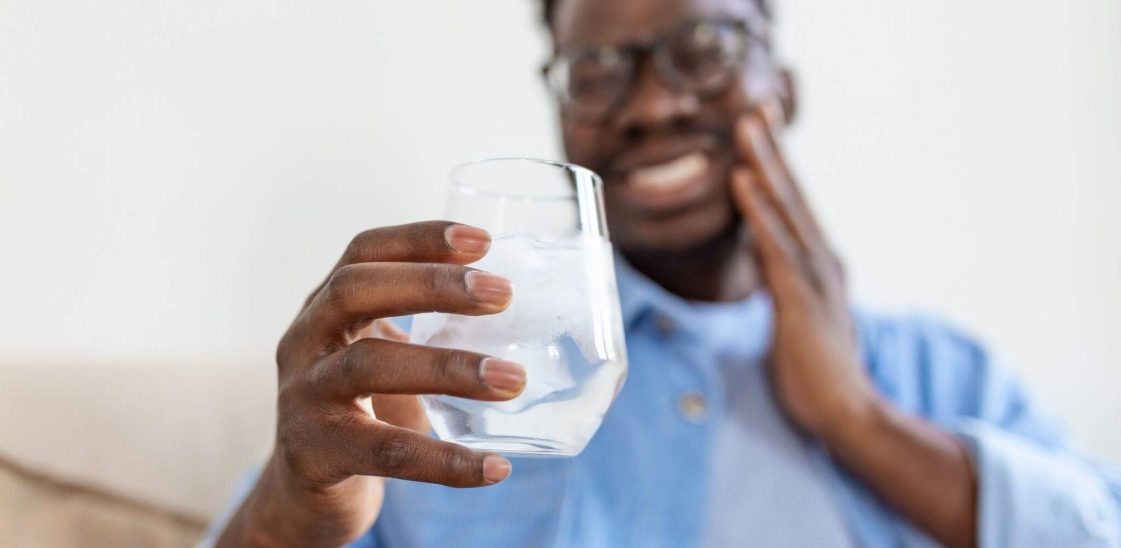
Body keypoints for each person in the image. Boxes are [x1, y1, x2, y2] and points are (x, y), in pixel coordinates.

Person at [211, 0, 1121, 546]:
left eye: (704, 49)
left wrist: (856, 419)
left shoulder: (940, 373)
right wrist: (290, 515)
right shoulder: (434, 385)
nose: (651, 104)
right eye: (596, 71)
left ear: (783, 85)